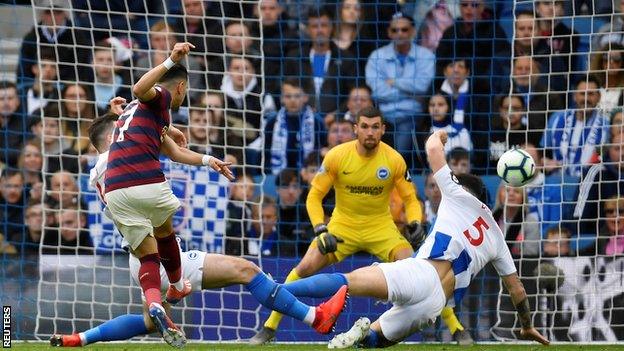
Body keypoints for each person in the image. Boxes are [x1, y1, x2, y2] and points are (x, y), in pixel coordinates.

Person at [49, 99, 348, 348]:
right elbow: (147, 129)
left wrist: (119, 114)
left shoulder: (99, 171)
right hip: (162, 257)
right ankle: (314, 316)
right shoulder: (123, 155)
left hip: (139, 259)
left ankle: (80, 338)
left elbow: (129, 130)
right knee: (247, 270)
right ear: (116, 134)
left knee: (149, 321)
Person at [264, 130, 549, 348]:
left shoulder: (457, 195)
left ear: (465, 189)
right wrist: (526, 325)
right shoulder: (497, 237)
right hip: (435, 305)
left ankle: (276, 290)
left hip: (419, 273)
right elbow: (517, 290)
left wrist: (440, 135)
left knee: (347, 281)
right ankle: (363, 332)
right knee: (376, 342)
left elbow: (433, 147)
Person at [249, 106, 426, 345]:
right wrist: (321, 229)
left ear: (383, 129)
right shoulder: (337, 155)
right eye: (364, 126)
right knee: (304, 267)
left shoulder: (394, 159)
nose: (370, 132)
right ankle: (270, 327)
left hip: (381, 228)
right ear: (355, 129)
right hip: (342, 227)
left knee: (415, 269)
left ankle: (455, 329)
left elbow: (410, 198)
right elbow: (314, 197)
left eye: (375, 127)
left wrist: (415, 221)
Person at [102, 42, 236, 347]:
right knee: (166, 234)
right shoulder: (160, 96)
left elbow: (174, 152)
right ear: (181, 86)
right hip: (145, 180)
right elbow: (139, 87)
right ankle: (176, 286)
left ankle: (155, 303)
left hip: (115, 191)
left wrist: (207, 159)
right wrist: (169, 60)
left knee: (147, 254)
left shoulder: (138, 114)